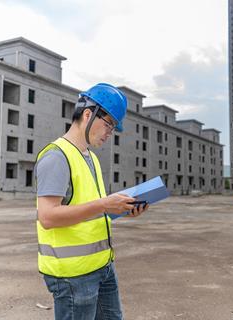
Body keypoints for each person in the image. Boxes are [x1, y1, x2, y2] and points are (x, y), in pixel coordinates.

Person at [35, 83, 148, 320]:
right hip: (73, 275)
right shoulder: (57, 156)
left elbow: (88, 209)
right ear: (88, 114)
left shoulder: (91, 159)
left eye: (113, 128)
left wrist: (121, 209)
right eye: (109, 125)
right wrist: (105, 204)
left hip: (103, 266)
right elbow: (48, 217)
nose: (110, 133)